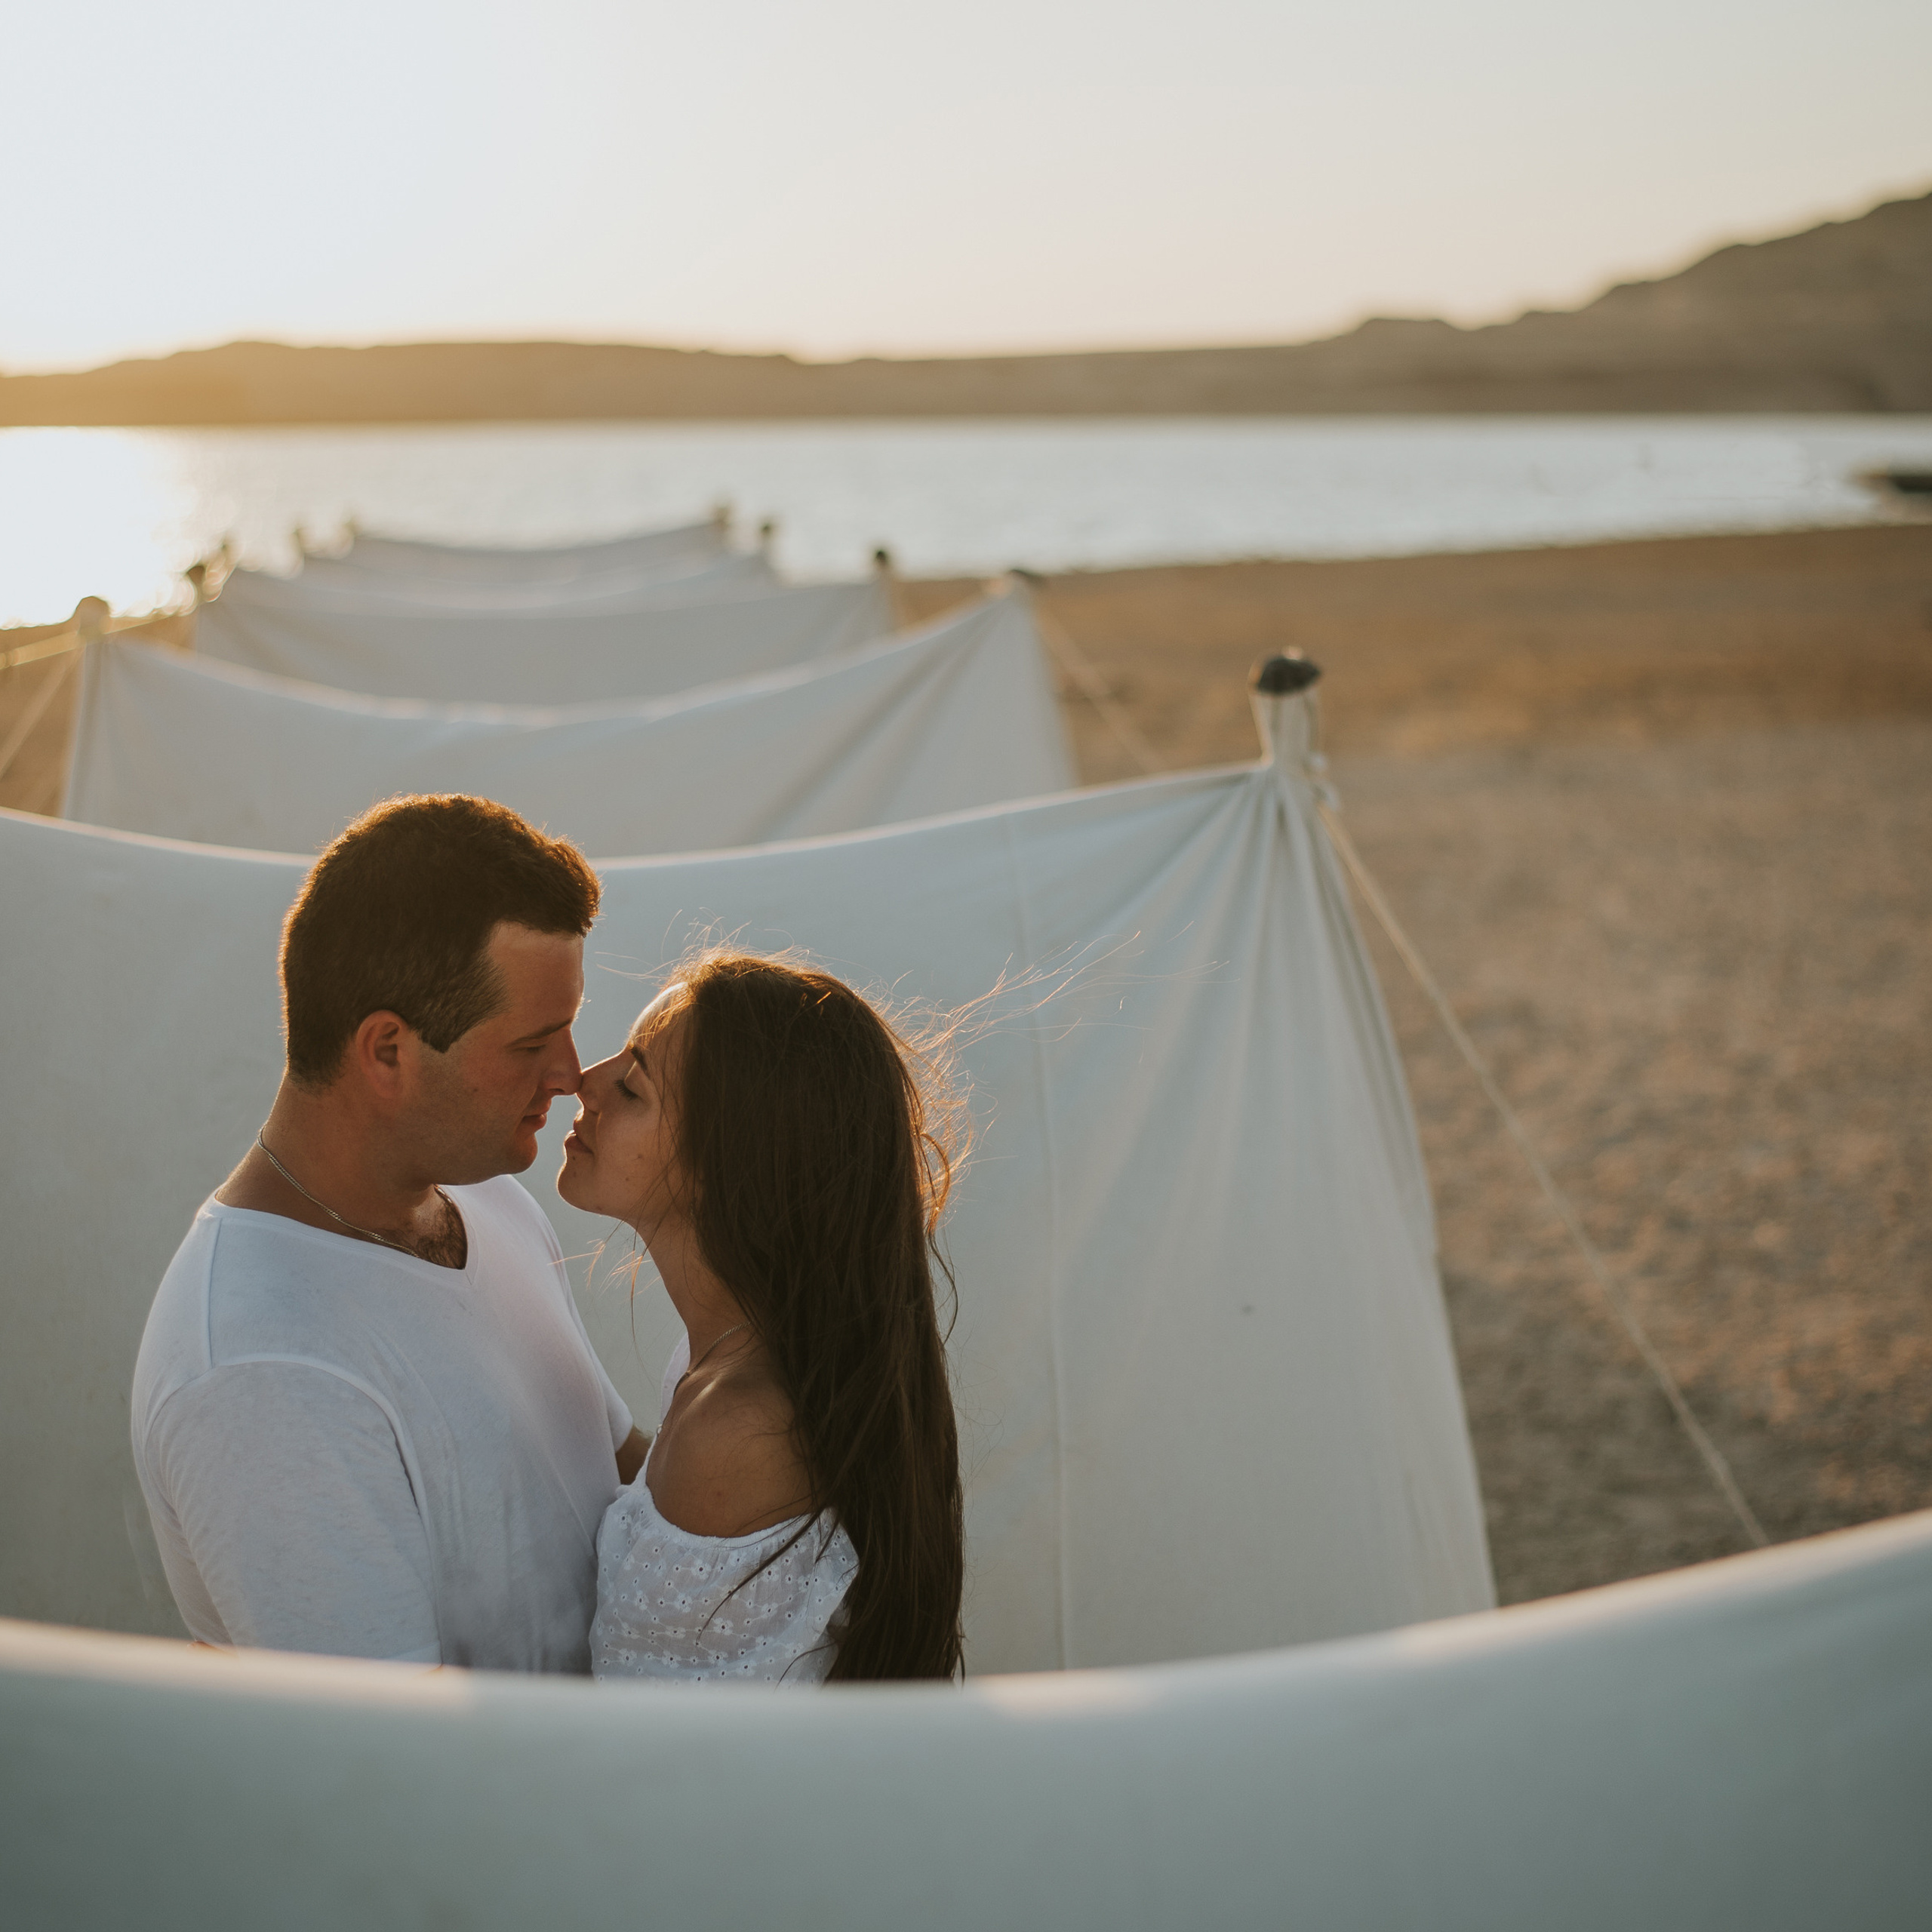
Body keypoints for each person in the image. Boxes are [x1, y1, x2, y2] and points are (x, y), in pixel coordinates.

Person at [131, 795, 648, 1670]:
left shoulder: (488, 1203)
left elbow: (621, 1473)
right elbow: (392, 1774)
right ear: (387, 1052)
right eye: (532, 1043)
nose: (571, 1075)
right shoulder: (265, 1371)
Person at [560, 951, 964, 1683]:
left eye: (630, 1086)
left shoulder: (739, 1427)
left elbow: (647, 1739)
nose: (581, 1082)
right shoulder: (717, 1357)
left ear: (721, 1166)